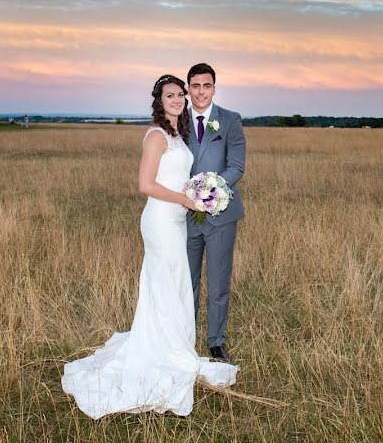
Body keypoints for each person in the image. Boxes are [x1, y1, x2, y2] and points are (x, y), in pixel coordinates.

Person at [61, 75, 238, 418]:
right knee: (164, 282)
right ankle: (162, 351)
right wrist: (186, 200)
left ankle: (175, 346)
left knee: (174, 284)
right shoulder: (157, 135)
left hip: (175, 219)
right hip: (160, 220)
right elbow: (145, 184)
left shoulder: (177, 134)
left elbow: (177, 176)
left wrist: (202, 191)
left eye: (180, 95)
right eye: (170, 95)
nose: (177, 99)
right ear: (159, 101)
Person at [185, 63, 246, 362]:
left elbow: (237, 165)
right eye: (195, 86)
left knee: (219, 279)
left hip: (221, 214)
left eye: (206, 86)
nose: (200, 92)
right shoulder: (176, 120)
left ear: (214, 88)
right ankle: (185, 335)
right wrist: (188, 197)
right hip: (183, 214)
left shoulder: (230, 120)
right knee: (186, 279)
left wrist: (211, 191)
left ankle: (216, 341)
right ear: (188, 89)